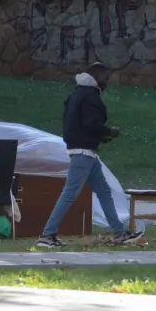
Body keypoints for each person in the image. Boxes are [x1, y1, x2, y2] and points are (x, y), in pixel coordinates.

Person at [37, 63, 143, 248]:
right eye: (106, 78)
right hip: (83, 153)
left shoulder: (76, 94)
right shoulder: (90, 96)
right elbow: (90, 124)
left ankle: (119, 232)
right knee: (69, 193)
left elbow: (78, 125)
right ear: (97, 77)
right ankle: (47, 235)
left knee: (104, 191)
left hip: (82, 151)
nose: (107, 82)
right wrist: (109, 132)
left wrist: (101, 136)